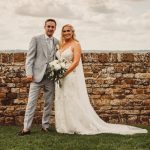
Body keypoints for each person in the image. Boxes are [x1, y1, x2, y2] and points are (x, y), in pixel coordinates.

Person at [55, 24, 148, 135]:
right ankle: (64, 125)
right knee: (63, 99)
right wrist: (57, 71)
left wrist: (64, 73)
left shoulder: (76, 44)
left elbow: (75, 62)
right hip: (60, 77)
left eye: (68, 31)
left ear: (72, 32)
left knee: (72, 99)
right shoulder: (62, 44)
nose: (66, 33)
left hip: (69, 76)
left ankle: (75, 125)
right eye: (64, 31)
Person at [18, 19, 59, 136]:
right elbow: (29, 58)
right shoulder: (35, 39)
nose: (50, 28)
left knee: (48, 103)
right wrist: (29, 74)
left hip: (50, 78)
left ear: (55, 28)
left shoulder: (57, 41)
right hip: (36, 77)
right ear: (44, 27)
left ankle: (45, 126)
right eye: (48, 26)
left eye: (52, 27)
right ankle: (26, 128)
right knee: (31, 103)